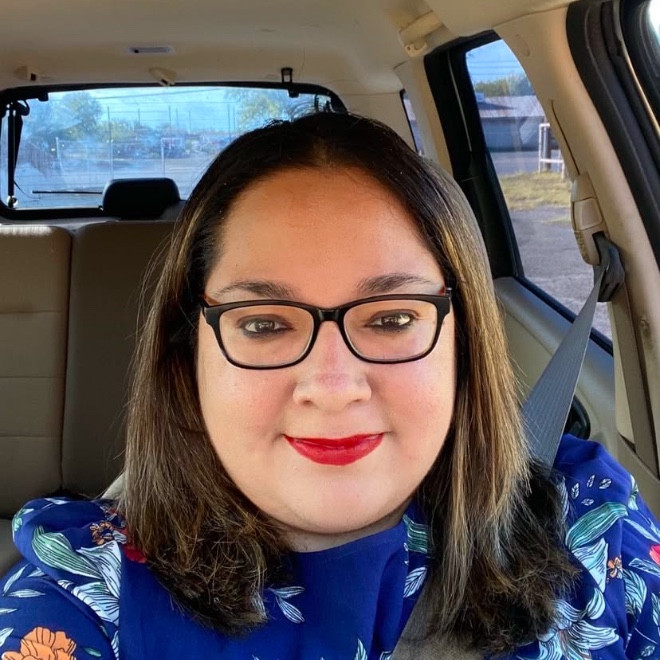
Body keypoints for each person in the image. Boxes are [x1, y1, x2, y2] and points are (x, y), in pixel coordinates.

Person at [0, 112, 658, 660]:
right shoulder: (84, 590)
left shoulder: (589, 523)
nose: (334, 387)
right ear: (187, 356)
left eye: (392, 319)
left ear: (463, 344)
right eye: (263, 324)